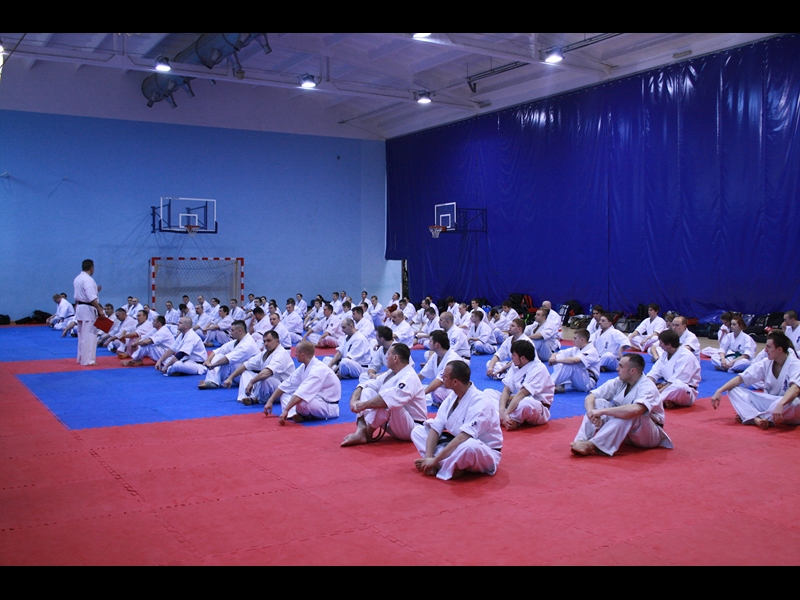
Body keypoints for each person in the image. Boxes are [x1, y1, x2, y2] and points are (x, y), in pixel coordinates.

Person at [411, 361, 503, 480]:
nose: (442, 378)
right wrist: (429, 457)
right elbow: (436, 427)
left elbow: (463, 437)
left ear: (455, 382)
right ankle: (449, 465)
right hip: (456, 444)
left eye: (445, 376)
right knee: (417, 431)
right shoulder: (453, 396)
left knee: (471, 446)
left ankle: (442, 465)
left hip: (483, 451)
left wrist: (435, 460)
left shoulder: (480, 403)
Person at [570, 354, 673, 457]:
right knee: (598, 402)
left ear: (632, 371)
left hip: (647, 435)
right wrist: (591, 413)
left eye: (621, 366)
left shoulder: (648, 387)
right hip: (626, 432)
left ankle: (590, 445)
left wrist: (601, 412)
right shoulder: (619, 381)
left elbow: (636, 410)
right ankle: (581, 440)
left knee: (629, 413)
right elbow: (591, 396)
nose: (617, 369)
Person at [341, 343, 426, 446]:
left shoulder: (409, 376)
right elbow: (368, 384)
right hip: (394, 424)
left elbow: (388, 400)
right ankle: (361, 430)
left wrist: (362, 405)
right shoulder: (391, 373)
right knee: (367, 391)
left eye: (388, 354)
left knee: (387, 402)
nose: (386, 357)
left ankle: (367, 433)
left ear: (395, 358)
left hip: (412, 428)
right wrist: (354, 400)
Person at [710, 331, 800, 429]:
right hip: (769, 402)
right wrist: (719, 390)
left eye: (768, 347)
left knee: (795, 402)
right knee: (733, 390)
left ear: (779, 349)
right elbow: (741, 378)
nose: (765, 350)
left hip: (786, 407)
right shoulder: (766, 363)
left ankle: (752, 416)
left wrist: (781, 404)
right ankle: (759, 418)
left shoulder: (795, 364)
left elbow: (795, 389)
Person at [264, 341, 341, 424]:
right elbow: (287, 384)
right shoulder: (304, 366)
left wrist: (286, 409)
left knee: (302, 403)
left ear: (302, 355)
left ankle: (300, 414)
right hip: (315, 398)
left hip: (328, 405)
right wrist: (270, 400)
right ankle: (293, 414)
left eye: (296, 352)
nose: (295, 354)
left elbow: (301, 393)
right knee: (285, 394)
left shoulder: (317, 370)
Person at [484, 339, 554, 430]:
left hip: (536, 408)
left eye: (514, 355)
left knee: (527, 403)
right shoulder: (515, 365)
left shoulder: (539, 369)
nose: (511, 357)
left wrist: (506, 413)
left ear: (522, 358)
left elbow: (522, 394)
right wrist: (502, 411)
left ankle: (508, 419)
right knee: (487, 393)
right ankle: (507, 419)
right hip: (514, 401)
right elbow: (506, 390)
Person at [222, 330, 296, 405]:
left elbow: (268, 372)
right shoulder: (264, 353)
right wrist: (230, 377)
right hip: (271, 387)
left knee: (266, 379)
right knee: (246, 372)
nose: (266, 344)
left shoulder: (281, 354)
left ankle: (256, 399)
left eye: (269, 341)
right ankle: (246, 396)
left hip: (284, 390)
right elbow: (246, 365)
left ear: (277, 341)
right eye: (264, 341)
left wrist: (252, 382)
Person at [646, 329, 701, 408]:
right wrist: (646, 384)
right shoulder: (665, 354)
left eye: (661, 343)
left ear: (668, 345)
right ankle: (666, 400)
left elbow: (676, 381)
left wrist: (657, 393)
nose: (659, 345)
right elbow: (654, 372)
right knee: (642, 381)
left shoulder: (686, 356)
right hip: (666, 386)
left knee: (679, 387)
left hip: (685, 392)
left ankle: (650, 402)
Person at [197, 320, 259, 389]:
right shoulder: (236, 341)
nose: (230, 333)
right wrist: (207, 361)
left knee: (225, 361)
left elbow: (227, 359)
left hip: (250, 376)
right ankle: (212, 381)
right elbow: (217, 351)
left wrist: (213, 365)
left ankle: (213, 381)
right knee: (219, 356)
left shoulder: (247, 344)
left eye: (232, 330)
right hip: (239, 373)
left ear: (240, 331)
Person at [419, 330, 467, 407]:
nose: (428, 343)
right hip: (446, 387)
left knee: (435, 391)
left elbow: (439, 381)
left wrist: (421, 394)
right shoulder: (436, 356)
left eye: (430, 341)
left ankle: (456, 403)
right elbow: (422, 374)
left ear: (437, 345)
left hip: (457, 389)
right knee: (423, 389)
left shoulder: (452, 358)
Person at [549, 328, 600, 393]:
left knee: (572, 364)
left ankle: (549, 384)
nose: (573, 340)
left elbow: (575, 360)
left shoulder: (592, 351)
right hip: (577, 379)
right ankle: (562, 384)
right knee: (559, 357)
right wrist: (553, 358)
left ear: (582, 340)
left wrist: (556, 361)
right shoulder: (576, 348)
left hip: (587, 382)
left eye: (575, 338)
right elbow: (558, 353)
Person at [73, 259, 103, 365]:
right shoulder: (88, 280)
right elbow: (91, 297)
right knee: (89, 336)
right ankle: (88, 360)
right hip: (88, 309)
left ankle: (81, 358)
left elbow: (84, 293)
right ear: (91, 268)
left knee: (82, 335)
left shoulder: (78, 278)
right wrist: (99, 309)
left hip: (80, 308)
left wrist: (95, 290)